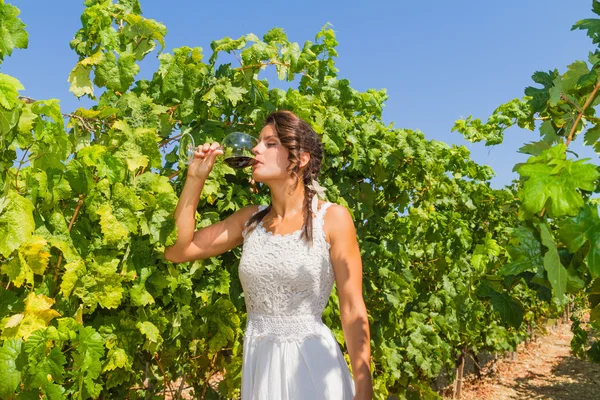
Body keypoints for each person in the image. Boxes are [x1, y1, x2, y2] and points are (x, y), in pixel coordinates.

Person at [165, 110, 372, 399]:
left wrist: (364, 390)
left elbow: (351, 309)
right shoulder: (249, 220)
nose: (256, 149)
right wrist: (194, 178)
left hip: (313, 366)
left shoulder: (333, 218)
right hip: (261, 367)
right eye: (258, 142)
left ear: (300, 159)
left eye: (270, 143)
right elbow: (177, 250)